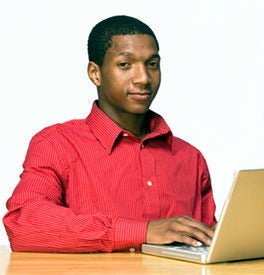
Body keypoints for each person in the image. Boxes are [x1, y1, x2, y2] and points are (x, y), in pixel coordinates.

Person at [3, 15, 216, 253]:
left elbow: (209, 245)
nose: (143, 78)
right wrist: (143, 231)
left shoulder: (190, 157)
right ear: (95, 73)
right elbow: (25, 224)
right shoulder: (56, 144)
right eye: (125, 64)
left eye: (152, 64)